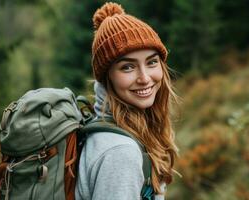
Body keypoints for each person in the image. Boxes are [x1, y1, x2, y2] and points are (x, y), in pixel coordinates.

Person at [75, 2, 179, 200]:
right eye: (127, 67)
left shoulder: (113, 130)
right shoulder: (120, 152)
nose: (144, 78)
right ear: (107, 78)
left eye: (152, 62)